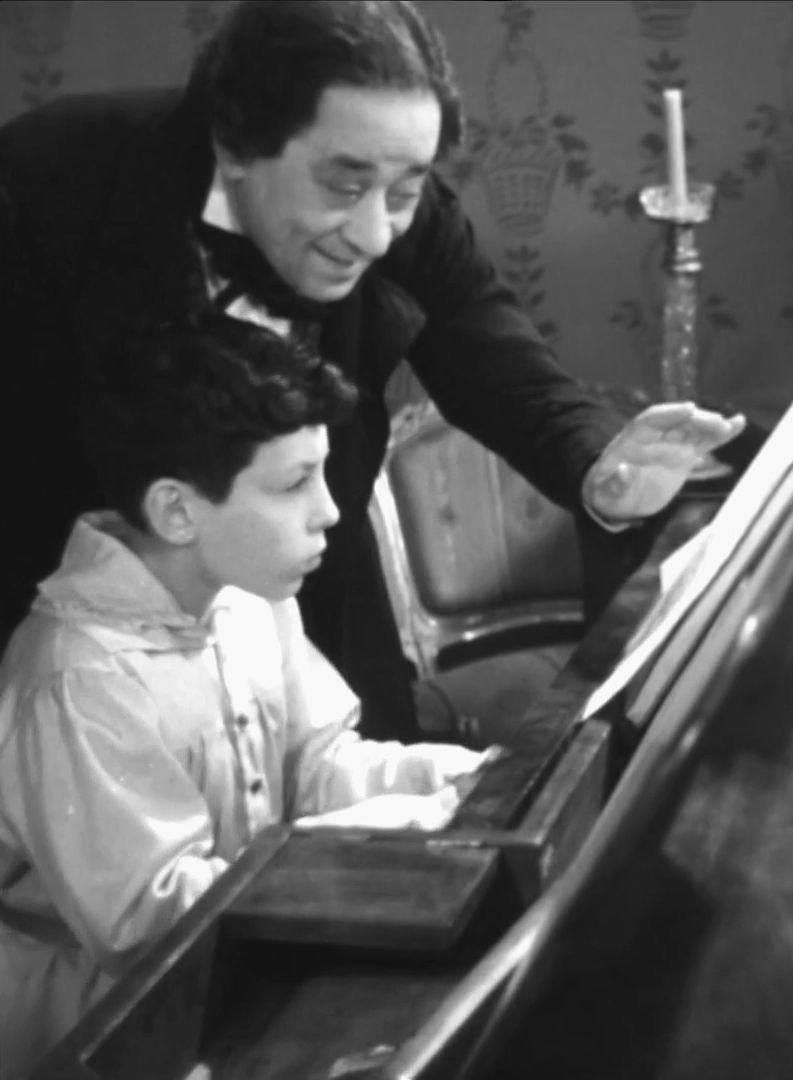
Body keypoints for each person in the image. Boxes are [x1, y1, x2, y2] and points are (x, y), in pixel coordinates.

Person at [0, 0, 745, 743]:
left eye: (406, 192)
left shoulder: (399, 209)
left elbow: (500, 361)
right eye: (343, 186)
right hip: (80, 669)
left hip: (327, 640)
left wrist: (600, 467)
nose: (376, 235)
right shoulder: (45, 182)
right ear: (236, 143)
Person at [0, 315, 503, 1079]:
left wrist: (452, 778)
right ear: (177, 511)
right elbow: (153, 930)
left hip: (239, 981)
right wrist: (387, 831)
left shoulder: (247, 597)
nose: (329, 509)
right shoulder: (80, 674)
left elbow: (316, 768)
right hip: (108, 1033)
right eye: (294, 483)